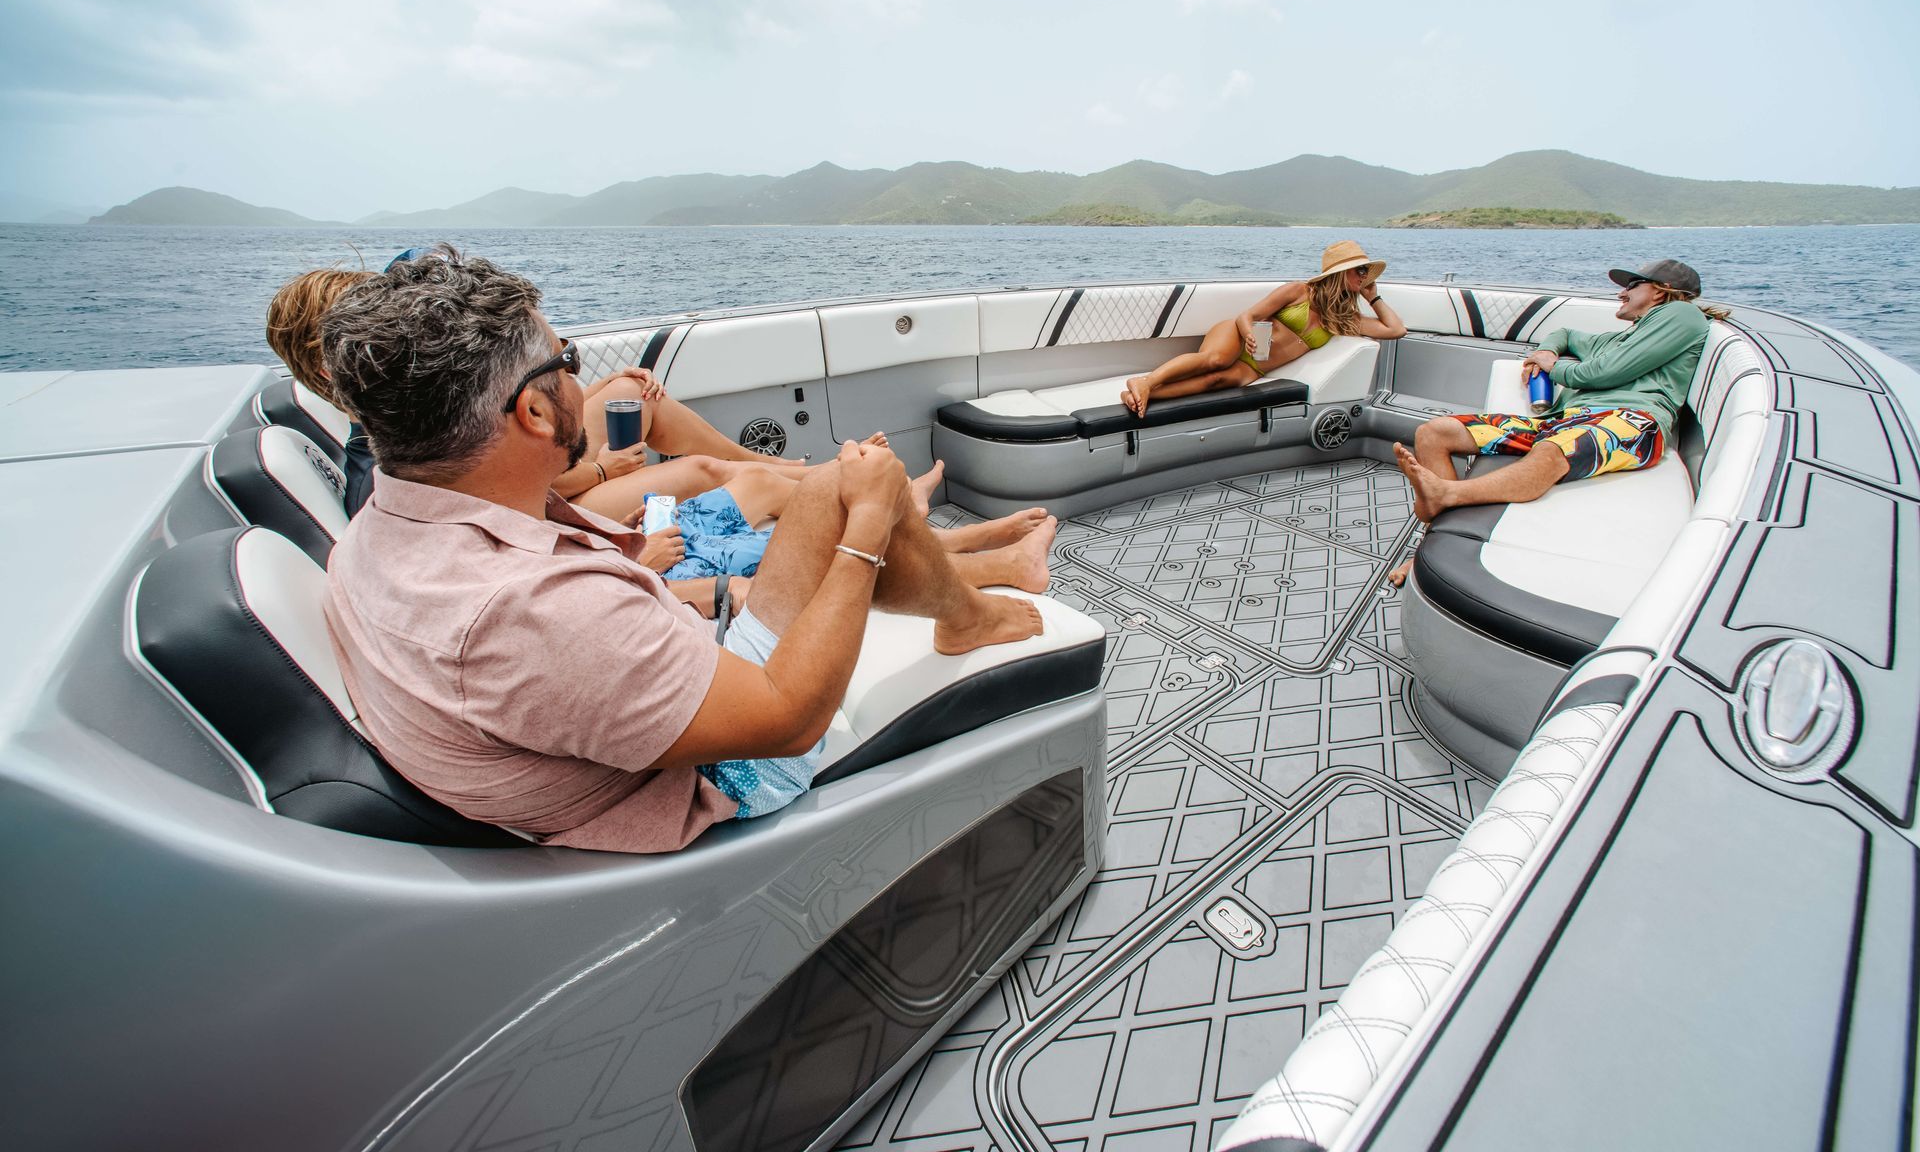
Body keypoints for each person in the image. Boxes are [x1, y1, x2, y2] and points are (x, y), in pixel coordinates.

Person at [319, 248, 1048, 852]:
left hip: (652, 703)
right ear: (535, 411)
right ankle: (965, 599)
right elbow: (788, 725)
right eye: (563, 360)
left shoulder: (376, 534)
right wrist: (866, 525)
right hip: (736, 768)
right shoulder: (537, 613)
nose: (579, 380)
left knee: (834, 487)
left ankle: (965, 603)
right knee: (855, 492)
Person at [265, 263, 1054, 605]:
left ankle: (919, 524)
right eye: (560, 365)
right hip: (637, 559)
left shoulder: (407, 471)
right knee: (747, 505)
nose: (567, 375)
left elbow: (519, 508)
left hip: (603, 540)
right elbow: (530, 527)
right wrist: (645, 542)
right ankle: (942, 543)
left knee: (741, 482)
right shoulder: (409, 501)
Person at [1387, 259, 1726, 586]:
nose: (1622, 293)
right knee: (1434, 432)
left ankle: (1445, 495)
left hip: (1631, 422)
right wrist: (1546, 352)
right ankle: (1429, 544)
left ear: (1661, 292)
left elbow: (1603, 373)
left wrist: (1551, 367)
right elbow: (1563, 333)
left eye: (1632, 285)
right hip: (1565, 419)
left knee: (1551, 451)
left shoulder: (1682, 314)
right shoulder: (1619, 338)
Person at [1121, 239, 1408, 416]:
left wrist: (1374, 297)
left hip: (1258, 367)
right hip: (1238, 336)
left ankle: (1139, 397)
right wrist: (1248, 335)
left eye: (1365, 273)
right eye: (1360, 271)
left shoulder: (1344, 320)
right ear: (1339, 273)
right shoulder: (1298, 291)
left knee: (1216, 382)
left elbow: (1396, 330)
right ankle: (1145, 382)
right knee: (1215, 360)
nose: (1364, 277)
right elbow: (1249, 315)